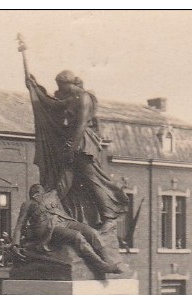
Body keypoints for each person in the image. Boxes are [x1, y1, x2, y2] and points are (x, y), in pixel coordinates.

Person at [25, 69, 129, 232]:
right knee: (63, 180)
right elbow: (53, 104)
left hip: (83, 144)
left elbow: (81, 125)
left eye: (60, 85)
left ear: (68, 83)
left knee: (92, 179)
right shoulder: (72, 98)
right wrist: (35, 87)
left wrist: (71, 149)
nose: (59, 88)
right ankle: (53, 214)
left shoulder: (84, 98)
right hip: (74, 143)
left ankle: (109, 217)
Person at [15, 184, 125, 274]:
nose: (38, 189)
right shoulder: (28, 204)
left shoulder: (53, 196)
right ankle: (101, 265)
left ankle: (108, 260)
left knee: (91, 232)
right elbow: (19, 225)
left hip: (64, 221)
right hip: (49, 227)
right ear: (33, 194)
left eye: (40, 188)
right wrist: (15, 244)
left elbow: (64, 182)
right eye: (36, 190)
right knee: (77, 236)